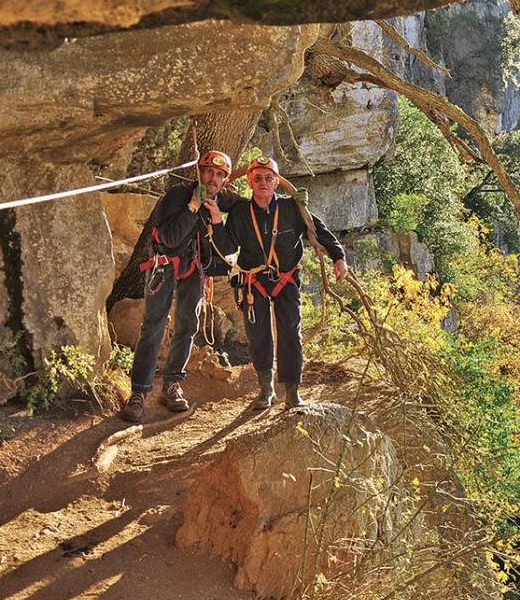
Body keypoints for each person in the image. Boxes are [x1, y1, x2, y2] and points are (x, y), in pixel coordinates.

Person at [211, 155, 348, 409]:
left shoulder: (292, 208)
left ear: (276, 182)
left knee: (290, 333)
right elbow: (228, 247)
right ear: (250, 183)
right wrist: (218, 221)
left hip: (286, 280)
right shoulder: (240, 213)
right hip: (253, 282)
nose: (263, 182)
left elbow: (318, 230)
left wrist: (338, 257)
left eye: (269, 178)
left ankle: (292, 392)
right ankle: (266, 390)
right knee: (258, 335)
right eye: (258, 178)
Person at [119, 150, 239, 423]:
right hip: (164, 265)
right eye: (209, 171)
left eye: (220, 175)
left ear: (225, 181)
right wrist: (193, 208)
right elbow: (170, 238)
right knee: (154, 325)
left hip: (194, 269)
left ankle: (172, 384)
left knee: (188, 325)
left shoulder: (221, 198)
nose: (213, 178)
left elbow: (247, 203)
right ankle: (138, 393)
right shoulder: (177, 195)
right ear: (199, 171)